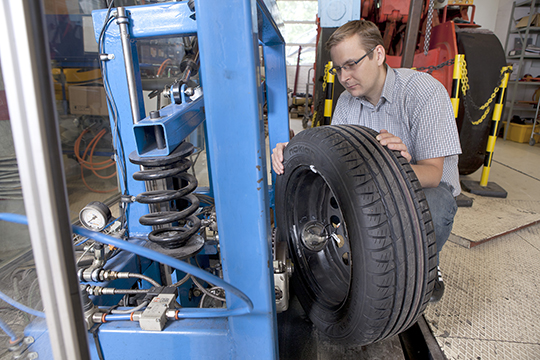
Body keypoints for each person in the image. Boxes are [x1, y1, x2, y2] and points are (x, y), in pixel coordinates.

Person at [271, 20, 461, 302]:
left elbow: (434, 175)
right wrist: (295, 149)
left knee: (436, 205)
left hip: (422, 190)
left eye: (352, 64)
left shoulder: (424, 92)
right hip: (374, 187)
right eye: (338, 69)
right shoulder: (347, 103)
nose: (345, 77)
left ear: (379, 55)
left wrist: (397, 166)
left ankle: (428, 263)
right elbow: (332, 162)